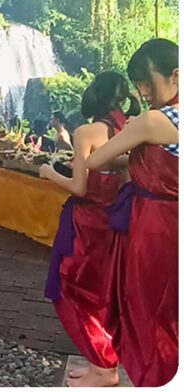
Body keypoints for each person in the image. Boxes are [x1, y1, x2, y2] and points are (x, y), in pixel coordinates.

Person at [86, 39, 178, 387]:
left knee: (147, 307)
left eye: (145, 81)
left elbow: (96, 160)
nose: (142, 90)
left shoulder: (151, 121)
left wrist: (128, 143)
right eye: (136, 82)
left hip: (153, 224)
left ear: (174, 74)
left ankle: (153, 377)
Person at [40, 72, 140, 387]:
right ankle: (102, 363)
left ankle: (104, 366)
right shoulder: (128, 129)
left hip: (84, 225)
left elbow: (80, 187)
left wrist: (48, 172)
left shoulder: (87, 131)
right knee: (104, 294)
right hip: (114, 222)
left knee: (72, 293)